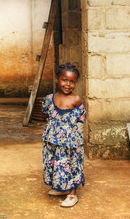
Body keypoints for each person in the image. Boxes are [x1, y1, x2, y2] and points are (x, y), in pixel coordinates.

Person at [42, 63, 86, 207]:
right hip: (54, 142)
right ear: (57, 79)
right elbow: (46, 114)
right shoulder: (50, 99)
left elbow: (81, 117)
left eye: (72, 81)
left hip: (70, 143)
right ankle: (62, 188)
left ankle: (72, 194)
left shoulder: (76, 100)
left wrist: (75, 136)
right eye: (64, 80)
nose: (68, 84)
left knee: (71, 165)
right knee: (56, 164)